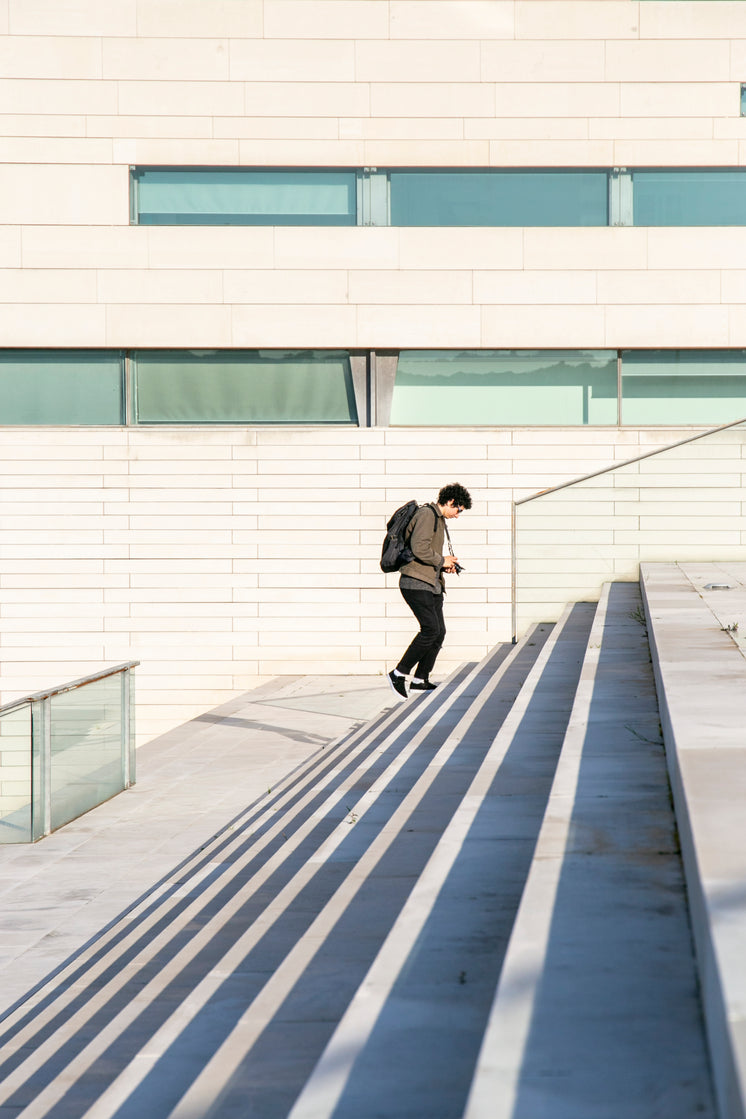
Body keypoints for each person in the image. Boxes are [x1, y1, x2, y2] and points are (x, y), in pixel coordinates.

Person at [388, 482, 472, 699]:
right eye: (459, 510)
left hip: (431, 583)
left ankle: (420, 679)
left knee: (439, 632)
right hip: (416, 582)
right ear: (451, 501)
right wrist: (441, 560)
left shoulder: (438, 519)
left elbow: (429, 553)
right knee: (430, 629)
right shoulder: (427, 514)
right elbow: (419, 548)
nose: (458, 515)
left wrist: (445, 564)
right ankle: (398, 674)